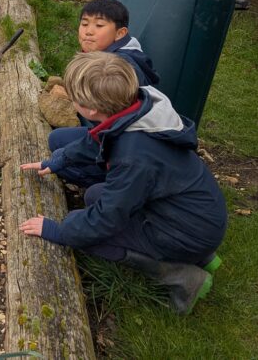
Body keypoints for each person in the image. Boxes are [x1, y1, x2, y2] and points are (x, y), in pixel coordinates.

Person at [19, 52, 227, 314]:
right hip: (195, 215)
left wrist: (60, 231)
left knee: (91, 234)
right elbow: (98, 138)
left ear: (91, 109)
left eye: (73, 98)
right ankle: (202, 256)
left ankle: (183, 276)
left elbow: (106, 220)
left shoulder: (134, 156)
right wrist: (60, 160)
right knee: (95, 195)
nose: (70, 101)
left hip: (187, 231)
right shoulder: (138, 109)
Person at [49, 0, 160, 181]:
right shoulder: (103, 55)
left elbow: (121, 125)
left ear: (120, 33)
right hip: (106, 132)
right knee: (57, 140)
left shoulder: (120, 69)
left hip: (128, 146)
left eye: (99, 26)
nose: (88, 32)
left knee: (61, 161)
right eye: (84, 24)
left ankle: (109, 182)